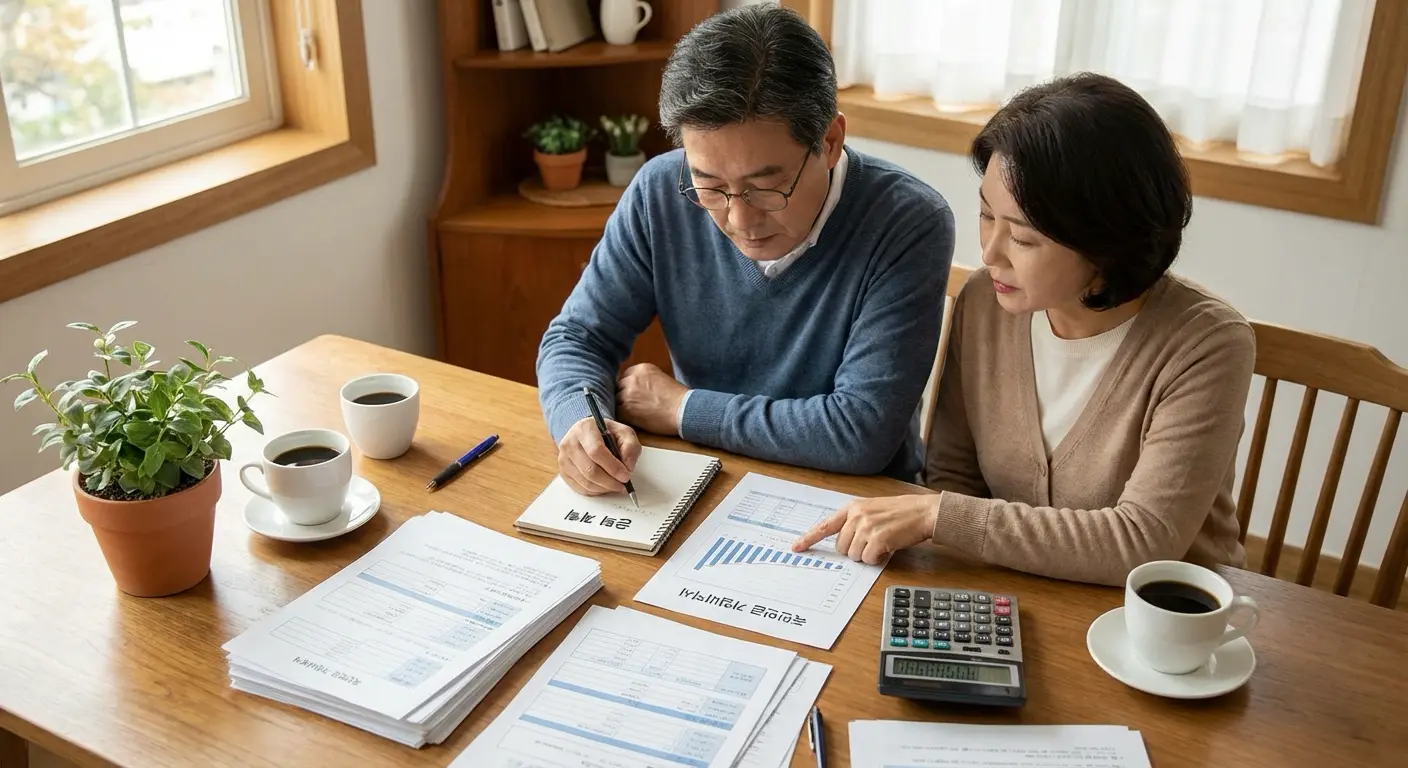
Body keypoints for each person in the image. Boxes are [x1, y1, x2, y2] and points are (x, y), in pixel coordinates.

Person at [791, 73, 1255, 587]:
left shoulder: (1208, 344)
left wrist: (937, 517)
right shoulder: (986, 304)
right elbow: (953, 475)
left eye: (1024, 239)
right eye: (987, 216)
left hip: (1164, 622)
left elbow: (1142, 542)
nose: (990, 254)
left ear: (1107, 242)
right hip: (1015, 587)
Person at [536, 4, 955, 496]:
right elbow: (579, 337)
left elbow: (860, 432)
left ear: (831, 141)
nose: (739, 221)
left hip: (860, 506)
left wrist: (682, 408)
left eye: (766, 186)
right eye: (709, 186)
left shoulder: (908, 221)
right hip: (701, 479)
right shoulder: (658, 191)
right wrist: (580, 422)